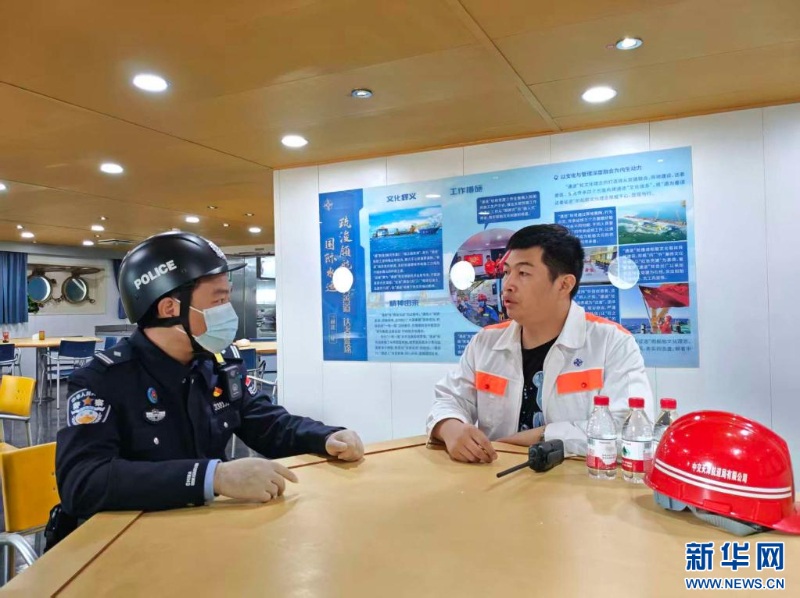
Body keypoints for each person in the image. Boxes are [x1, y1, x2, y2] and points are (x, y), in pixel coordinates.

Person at [56, 231, 364, 523]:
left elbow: (265, 423)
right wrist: (211, 477)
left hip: (209, 529)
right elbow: (82, 482)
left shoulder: (217, 364)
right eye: (219, 301)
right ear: (169, 308)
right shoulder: (103, 380)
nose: (228, 311)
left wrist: (324, 437)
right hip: (131, 541)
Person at [427, 224, 652, 462]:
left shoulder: (612, 343)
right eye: (506, 272)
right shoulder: (485, 342)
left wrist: (545, 435)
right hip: (495, 477)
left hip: (576, 482)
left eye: (523, 273)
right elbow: (450, 399)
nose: (508, 284)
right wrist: (450, 427)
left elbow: (632, 429)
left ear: (564, 285)